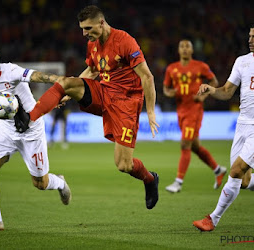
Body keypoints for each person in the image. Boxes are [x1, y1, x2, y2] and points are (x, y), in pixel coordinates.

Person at [14, 5, 160, 209]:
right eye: (82, 29)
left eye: (88, 28)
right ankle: (30, 117)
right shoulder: (92, 44)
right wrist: (66, 93)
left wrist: (150, 111)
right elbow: (92, 71)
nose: (84, 33)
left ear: (101, 22)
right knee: (65, 82)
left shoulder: (124, 41)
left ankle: (150, 180)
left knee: (124, 165)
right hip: (103, 93)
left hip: (126, 103)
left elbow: (147, 76)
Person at [0, 42, 71, 232]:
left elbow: (35, 75)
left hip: (32, 130)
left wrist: (56, 78)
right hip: (6, 130)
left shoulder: (11, 71)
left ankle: (60, 182)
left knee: (40, 183)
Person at [193, 26, 254, 231]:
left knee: (235, 170)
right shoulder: (242, 61)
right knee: (243, 181)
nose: (250, 40)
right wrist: (211, 90)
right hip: (242, 125)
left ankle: (212, 219)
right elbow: (227, 92)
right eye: (249, 36)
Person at [163, 39, 227, 193]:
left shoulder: (200, 67)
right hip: (181, 111)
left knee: (185, 144)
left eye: (187, 47)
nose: (185, 49)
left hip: (194, 110)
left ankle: (178, 182)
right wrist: (170, 93)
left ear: (192, 50)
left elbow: (214, 81)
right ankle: (218, 170)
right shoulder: (172, 69)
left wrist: (203, 97)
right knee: (195, 146)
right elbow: (166, 88)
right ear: (178, 50)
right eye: (182, 47)